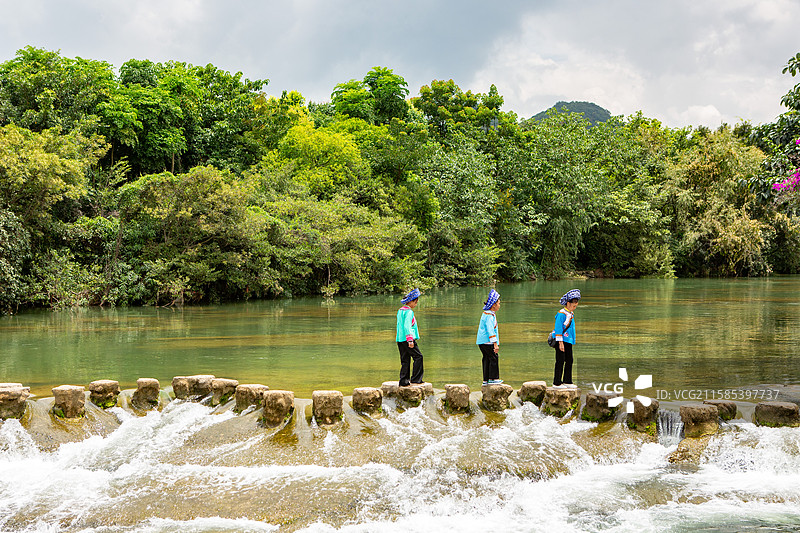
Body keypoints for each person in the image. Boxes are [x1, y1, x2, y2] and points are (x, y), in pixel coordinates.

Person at [553, 289, 580, 389]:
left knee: (569, 360)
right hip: (561, 341)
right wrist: (560, 343)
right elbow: (558, 329)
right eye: (573, 305)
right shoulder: (561, 314)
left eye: (576, 305)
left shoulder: (571, 313)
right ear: (568, 303)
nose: (574, 307)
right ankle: (557, 382)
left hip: (568, 341)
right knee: (560, 360)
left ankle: (567, 381)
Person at [396, 288, 424, 386]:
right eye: (415, 302)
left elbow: (400, 326)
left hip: (400, 339)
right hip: (408, 339)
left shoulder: (400, 311)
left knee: (405, 360)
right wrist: (410, 340)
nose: (416, 305)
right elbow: (407, 326)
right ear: (411, 302)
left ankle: (403, 380)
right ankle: (416, 379)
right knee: (418, 357)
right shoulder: (409, 312)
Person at [476, 289, 502, 385]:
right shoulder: (489, 316)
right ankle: (493, 378)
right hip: (488, 342)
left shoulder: (486, 314)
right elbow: (490, 330)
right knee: (494, 358)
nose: (499, 305)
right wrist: (495, 343)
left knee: (486, 358)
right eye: (498, 303)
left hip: (481, 342)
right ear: (493, 305)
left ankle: (485, 380)